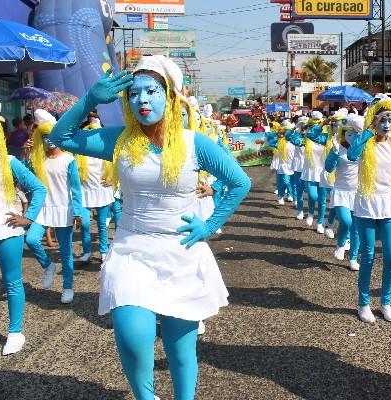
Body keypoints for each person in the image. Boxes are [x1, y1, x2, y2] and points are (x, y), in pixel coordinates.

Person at [49, 56, 250, 400]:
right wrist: (90, 100)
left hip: (181, 252)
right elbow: (61, 136)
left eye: (151, 91)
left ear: (170, 97)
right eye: (134, 94)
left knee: (180, 349)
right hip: (132, 249)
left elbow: (238, 182)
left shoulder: (194, 142)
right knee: (133, 336)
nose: (142, 100)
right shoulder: (121, 140)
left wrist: (210, 225)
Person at [347, 94, 391, 323]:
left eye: (390, 120)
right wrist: (369, 130)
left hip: (390, 205)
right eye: (382, 120)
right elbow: (351, 154)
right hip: (366, 203)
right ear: (374, 120)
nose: (387, 124)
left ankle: (386, 302)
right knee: (367, 257)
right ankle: (363, 304)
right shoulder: (364, 141)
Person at [0, 100, 46, 355]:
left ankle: (15, 332)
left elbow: (38, 188)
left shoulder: (10, 162)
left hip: (6, 229)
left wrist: (29, 218)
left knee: (12, 282)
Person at [25, 109, 83, 304]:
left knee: (66, 252)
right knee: (32, 239)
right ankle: (48, 265)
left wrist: (78, 212)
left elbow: (76, 189)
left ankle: (68, 287)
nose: (48, 140)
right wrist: (27, 153)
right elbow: (24, 177)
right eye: (43, 136)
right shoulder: (38, 160)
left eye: (50, 134)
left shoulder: (69, 160)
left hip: (63, 210)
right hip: (43, 209)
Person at [325, 114, 364, 271]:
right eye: (349, 133)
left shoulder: (363, 148)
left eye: (355, 133)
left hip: (358, 192)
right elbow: (328, 168)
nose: (352, 136)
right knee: (346, 222)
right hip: (341, 190)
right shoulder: (338, 147)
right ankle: (341, 244)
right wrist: (334, 152)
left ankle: (353, 258)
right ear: (343, 133)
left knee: (356, 228)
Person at [75, 117, 115, 262]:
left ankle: (103, 250)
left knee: (102, 225)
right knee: (85, 223)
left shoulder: (106, 151)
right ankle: (87, 252)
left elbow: (117, 167)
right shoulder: (80, 153)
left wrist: (112, 179)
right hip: (85, 192)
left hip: (102, 192)